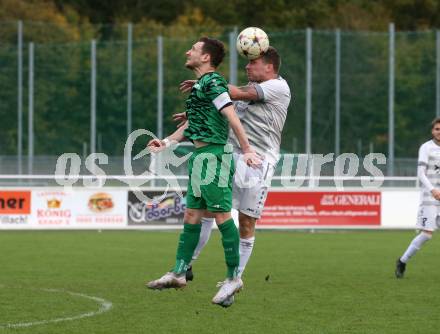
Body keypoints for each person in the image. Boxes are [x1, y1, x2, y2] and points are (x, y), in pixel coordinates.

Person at [145, 37, 260, 306]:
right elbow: (191, 126)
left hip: (215, 157)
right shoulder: (201, 86)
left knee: (221, 216)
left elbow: (231, 115)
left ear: (206, 57)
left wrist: (247, 149)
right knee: (192, 213)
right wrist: (167, 142)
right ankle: (178, 272)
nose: (188, 51)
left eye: (194, 49)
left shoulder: (213, 82)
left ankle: (233, 278)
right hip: (200, 157)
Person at [177, 47, 291, 295]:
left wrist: (205, 83)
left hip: (258, 162)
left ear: (269, 67)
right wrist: (198, 102)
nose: (247, 67)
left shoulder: (278, 87)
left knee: (246, 222)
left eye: (253, 63)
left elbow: (235, 93)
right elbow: (223, 108)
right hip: (231, 156)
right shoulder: (250, 87)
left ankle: (234, 278)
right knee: (206, 208)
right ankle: (186, 266)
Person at [395, 118, 440, 278]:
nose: (439, 131)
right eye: (436, 129)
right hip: (430, 197)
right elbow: (421, 174)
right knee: (427, 234)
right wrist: (433, 190)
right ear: (432, 131)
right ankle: (402, 261)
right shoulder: (426, 148)